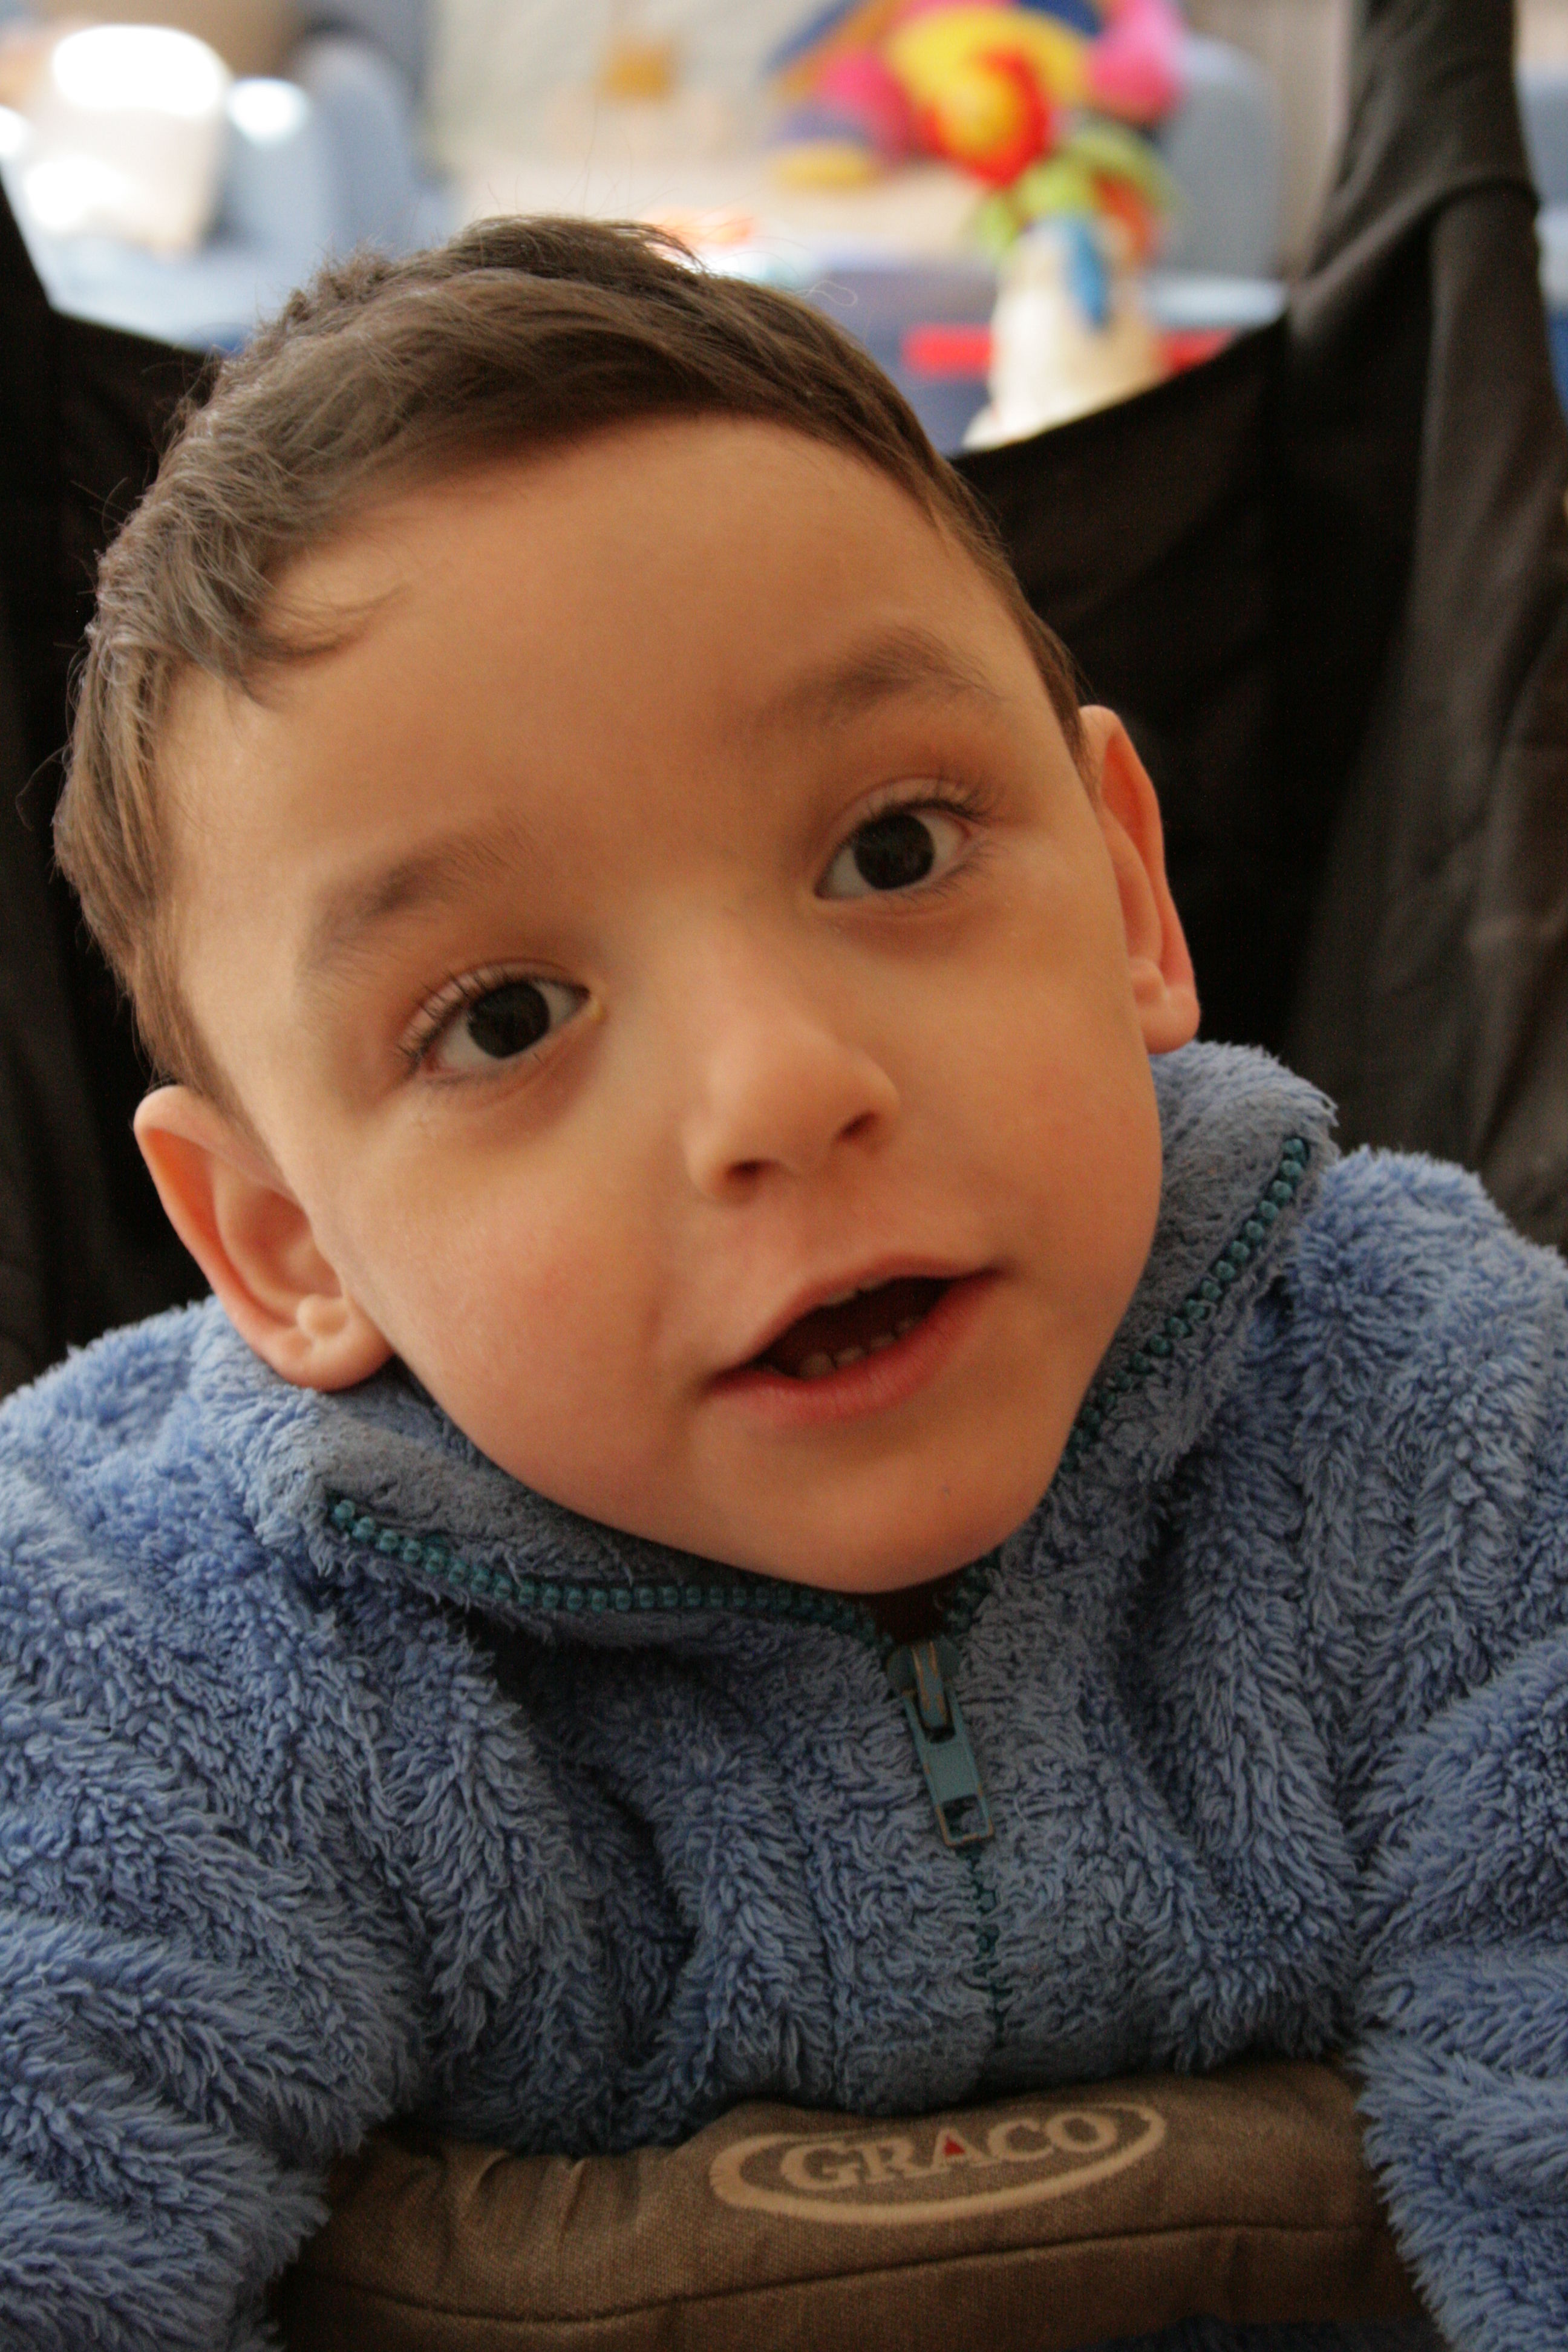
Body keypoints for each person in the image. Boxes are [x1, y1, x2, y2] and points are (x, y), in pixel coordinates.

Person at [3, 7, 1566, 2351]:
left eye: (894, 850)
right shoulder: (168, 1653)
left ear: (1129, 899)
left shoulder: (1445, 1431)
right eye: (504, 1020)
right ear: (287, 1245)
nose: (780, 1089)